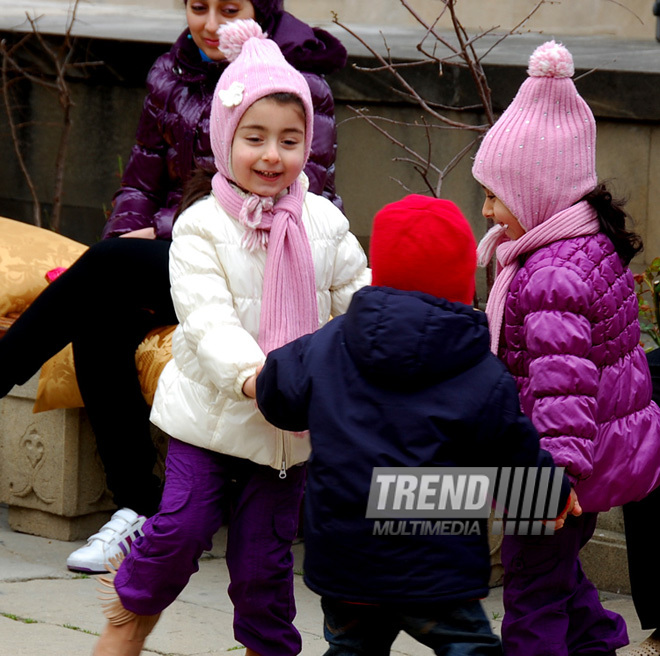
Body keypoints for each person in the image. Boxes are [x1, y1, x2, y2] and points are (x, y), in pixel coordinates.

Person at [0, 0, 348, 574]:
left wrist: (154, 232)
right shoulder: (171, 73)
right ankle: (140, 505)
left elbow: (302, 192)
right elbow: (140, 179)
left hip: (261, 255)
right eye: (197, 6)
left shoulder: (297, 82)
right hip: (175, 253)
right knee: (99, 316)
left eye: (228, 7)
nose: (211, 23)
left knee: (109, 264)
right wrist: (133, 234)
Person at [92, 18, 369, 656]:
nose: (272, 155)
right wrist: (254, 376)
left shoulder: (323, 221)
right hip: (213, 416)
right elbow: (207, 320)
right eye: (255, 138)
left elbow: (355, 298)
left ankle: (266, 648)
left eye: (290, 139)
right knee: (181, 529)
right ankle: (129, 613)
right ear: (225, 140)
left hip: (288, 430)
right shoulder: (200, 228)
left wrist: (380, 340)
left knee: (263, 564)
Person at [242, 193, 574, 656]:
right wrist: (551, 498)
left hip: (347, 558)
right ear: (463, 281)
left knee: (352, 647)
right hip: (439, 562)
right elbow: (511, 449)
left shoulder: (328, 344)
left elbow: (279, 396)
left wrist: (263, 379)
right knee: (467, 645)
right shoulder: (480, 369)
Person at [473, 40, 660, 656]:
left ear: (537, 195)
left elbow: (565, 389)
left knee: (530, 596)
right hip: (578, 458)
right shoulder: (576, 244)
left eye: (497, 195)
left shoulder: (552, 276)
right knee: (554, 577)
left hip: (557, 468)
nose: (487, 208)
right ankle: (601, 641)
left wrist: (553, 481)